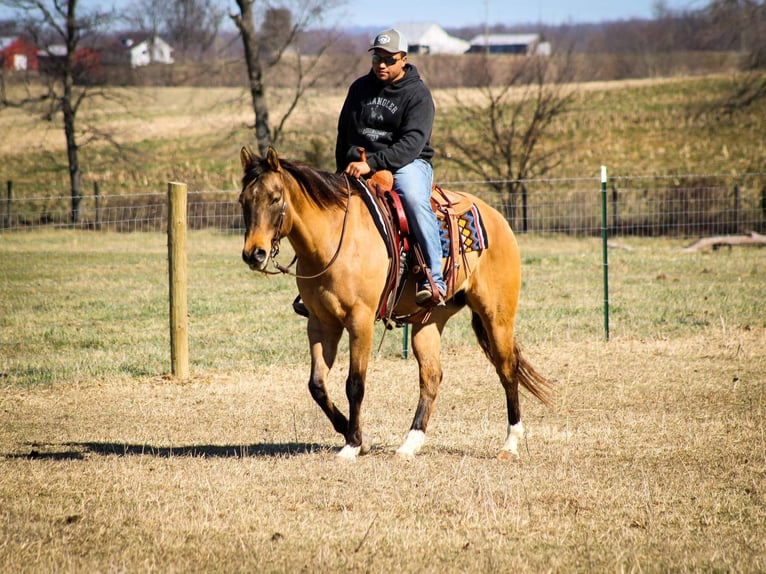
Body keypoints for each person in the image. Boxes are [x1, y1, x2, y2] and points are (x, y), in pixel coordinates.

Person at [336, 27, 447, 306]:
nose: (381, 64)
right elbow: (344, 131)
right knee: (324, 202)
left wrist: (372, 164)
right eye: (377, 58)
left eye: (388, 59)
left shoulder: (418, 94)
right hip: (361, 163)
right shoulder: (359, 88)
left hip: (407, 163)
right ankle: (319, 283)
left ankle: (434, 279)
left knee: (412, 197)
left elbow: (412, 143)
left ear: (404, 59)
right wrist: (343, 167)